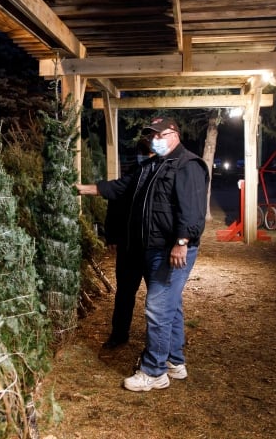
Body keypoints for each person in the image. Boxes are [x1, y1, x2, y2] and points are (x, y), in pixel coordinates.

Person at [77, 117, 209, 392]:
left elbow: (193, 211)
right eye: (151, 136)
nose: (154, 140)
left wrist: (181, 242)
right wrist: (84, 189)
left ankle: (154, 371)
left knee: (158, 308)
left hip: (171, 250)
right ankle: (174, 361)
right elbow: (121, 187)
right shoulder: (152, 166)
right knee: (170, 307)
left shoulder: (188, 165)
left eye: (158, 135)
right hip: (151, 248)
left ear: (174, 133)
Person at [102, 138, 153, 350]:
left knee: (156, 298)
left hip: (150, 247)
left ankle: (156, 339)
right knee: (124, 293)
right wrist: (112, 236)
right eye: (145, 152)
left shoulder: (161, 176)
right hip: (128, 245)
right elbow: (114, 204)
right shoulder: (131, 175)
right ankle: (119, 333)